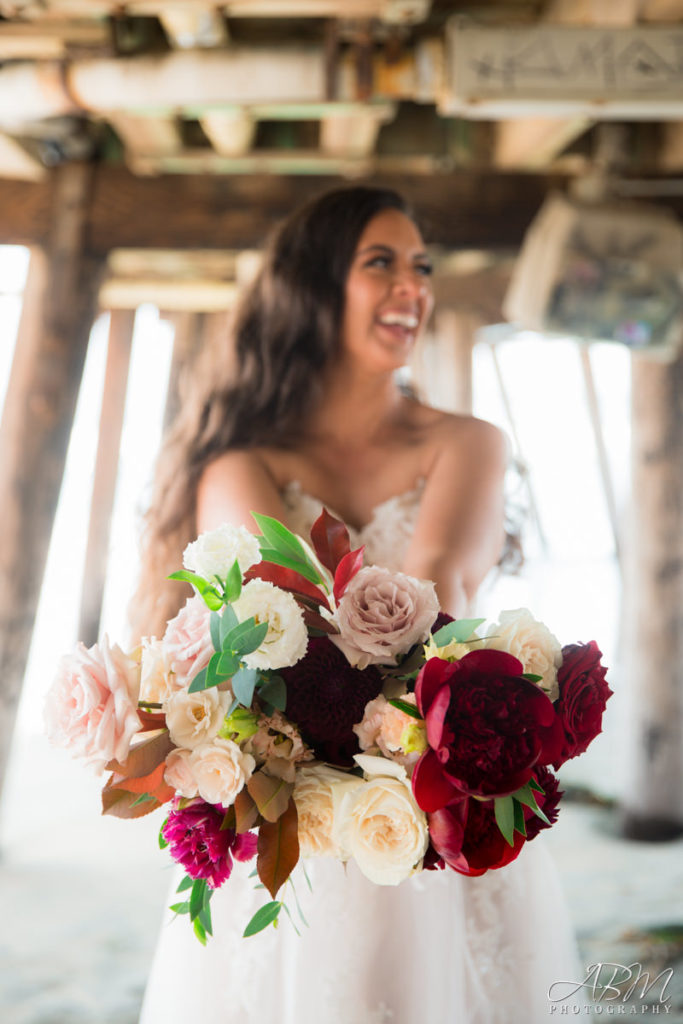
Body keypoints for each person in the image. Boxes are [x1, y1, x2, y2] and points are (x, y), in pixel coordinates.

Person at [136, 186, 582, 1023]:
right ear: (312, 287)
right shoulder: (238, 464)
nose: (412, 286)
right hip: (288, 819)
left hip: (432, 800)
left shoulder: (468, 444)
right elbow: (269, 635)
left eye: (421, 266)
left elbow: (438, 592)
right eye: (380, 263)